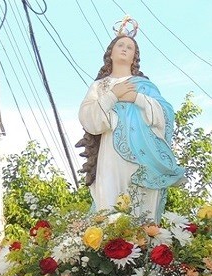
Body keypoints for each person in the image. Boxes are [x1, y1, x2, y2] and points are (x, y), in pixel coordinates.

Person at [77, 29, 185, 222]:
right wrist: (113, 95)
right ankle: (111, 240)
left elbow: (165, 113)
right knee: (110, 197)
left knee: (140, 200)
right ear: (110, 52)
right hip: (110, 151)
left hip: (142, 153)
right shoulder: (99, 86)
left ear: (135, 56)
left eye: (130, 47)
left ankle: (142, 242)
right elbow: (88, 118)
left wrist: (137, 98)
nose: (125, 49)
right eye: (120, 45)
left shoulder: (143, 85)